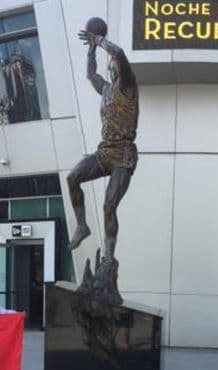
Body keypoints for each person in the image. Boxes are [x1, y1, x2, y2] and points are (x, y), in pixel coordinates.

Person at [66, 25, 138, 265]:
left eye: (115, 65)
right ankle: (82, 226)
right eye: (112, 66)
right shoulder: (106, 89)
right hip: (104, 151)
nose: (113, 66)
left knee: (109, 205)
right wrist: (90, 51)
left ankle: (108, 255)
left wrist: (99, 40)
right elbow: (91, 74)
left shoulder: (128, 87)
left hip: (124, 155)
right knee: (73, 177)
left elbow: (118, 53)